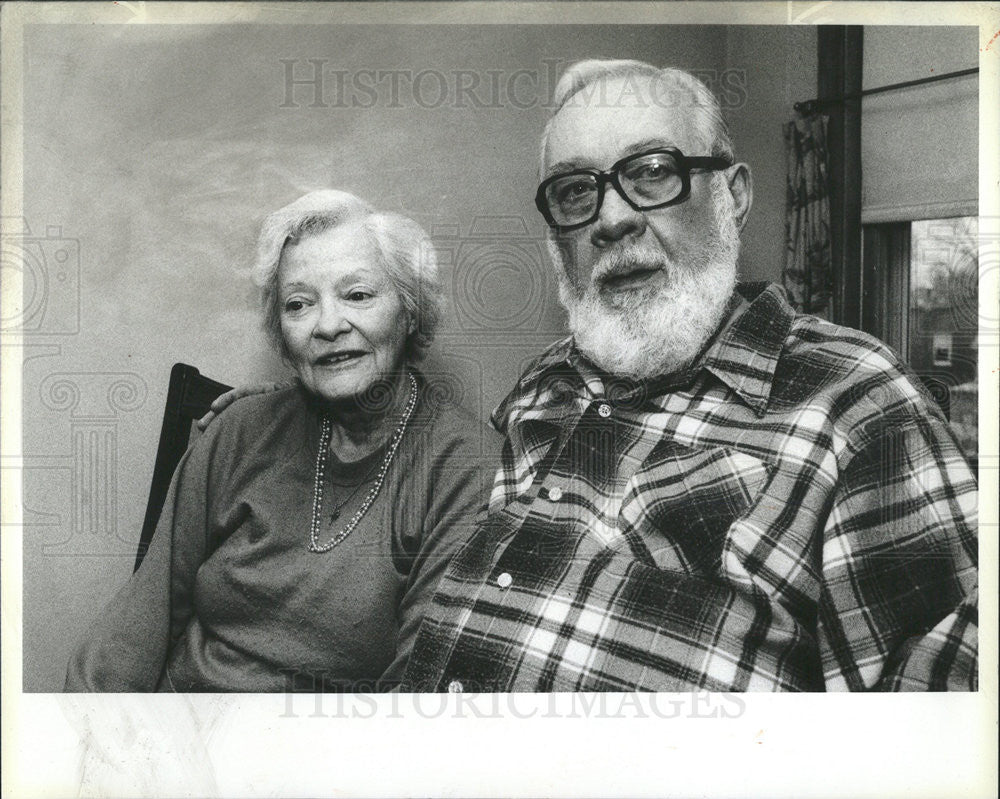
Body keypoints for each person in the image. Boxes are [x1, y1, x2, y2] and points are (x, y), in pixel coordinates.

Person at [206, 61, 979, 692]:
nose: (611, 218)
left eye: (651, 172)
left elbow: (943, 735)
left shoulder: (858, 401)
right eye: (577, 191)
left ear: (733, 197)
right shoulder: (547, 383)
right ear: (557, 238)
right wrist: (282, 414)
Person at [65, 189, 495, 692]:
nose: (329, 325)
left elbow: (413, 699)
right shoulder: (238, 429)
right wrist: (90, 735)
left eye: (357, 295)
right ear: (282, 335)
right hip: (171, 731)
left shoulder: (468, 470)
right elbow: (140, 619)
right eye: (299, 304)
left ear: (410, 312)